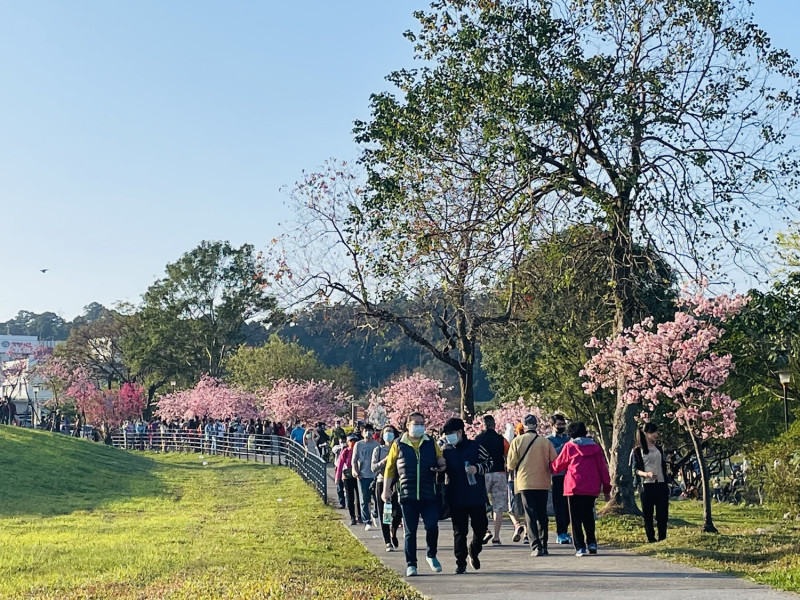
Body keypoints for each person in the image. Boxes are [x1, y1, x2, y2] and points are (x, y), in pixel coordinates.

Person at [382, 412, 446, 577]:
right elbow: (390, 468)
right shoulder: (399, 444)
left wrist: (441, 464)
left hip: (428, 493)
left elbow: (440, 459)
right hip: (407, 494)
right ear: (408, 425)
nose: (419, 426)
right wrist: (386, 489)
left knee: (432, 526)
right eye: (416, 423)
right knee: (410, 532)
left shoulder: (430, 442)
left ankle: (431, 554)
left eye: (422, 423)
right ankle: (411, 564)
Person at [549, 421, 611, 556]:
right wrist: (607, 488)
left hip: (574, 486)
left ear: (571, 433)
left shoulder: (569, 446)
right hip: (591, 486)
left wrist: (549, 464)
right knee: (588, 515)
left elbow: (558, 466)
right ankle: (592, 543)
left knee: (575, 518)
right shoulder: (595, 448)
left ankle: (580, 547)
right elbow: (603, 469)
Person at [441, 417, 492, 574]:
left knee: (481, 527)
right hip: (456, 496)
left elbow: (490, 462)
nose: (448, 436)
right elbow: (438, 465)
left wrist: (477, 468)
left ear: (460, 432)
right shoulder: (445, 450)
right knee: (459, 531)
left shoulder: (476, 446)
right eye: (446, 434)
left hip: (476, 495)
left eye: (450, 433)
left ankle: (474, 550)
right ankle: (460, 562)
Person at [506, 414, 557, 557]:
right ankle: (544, 544)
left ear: (523, 425)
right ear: (536, 425)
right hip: (543, 481)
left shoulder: (517, 442)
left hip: (525, 482)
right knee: (542, 514)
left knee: (530, 514)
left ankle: (535, 546)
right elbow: (554, 460)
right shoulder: (545, 442)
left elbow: (511, 464)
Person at [474, 415, 511, 546]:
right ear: (494, 425)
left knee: (480, 504)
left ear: (483, 425)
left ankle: (485, 530)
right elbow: (508, 455)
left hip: (484, 474)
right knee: (498, 507)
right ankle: (496, 536)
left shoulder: (478, 439)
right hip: (500, 473)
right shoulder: (502, 439)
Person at [631, 422, 670, 542]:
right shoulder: (637, 451)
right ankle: (651, 538)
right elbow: (635, 469)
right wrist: (646, 474)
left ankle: (662, 537)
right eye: (654, 432)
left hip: (661, 484)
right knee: (648, 514)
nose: (656, 434)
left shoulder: (659, 449)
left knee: (662, 513)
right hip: (647, 485)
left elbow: (663, 465)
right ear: (647, 433)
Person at [372, 424, 402, 552]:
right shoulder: (378, 450)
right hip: (382, 481)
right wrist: (387, 460)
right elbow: (373, 468)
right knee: (385, 513)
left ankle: (393, 531)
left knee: (397, 512)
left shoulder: (399, 448)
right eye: (386, 432)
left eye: (390, 432)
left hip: (396, 482)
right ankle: (387, 542)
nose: (388, 434)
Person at [547, 413, 572, 545]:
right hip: (557, 476)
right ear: (552, 426)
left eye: (563, 424)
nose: (562, 427)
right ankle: (560, 532)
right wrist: (565, 447)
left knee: (569, 506)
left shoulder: (569, 438)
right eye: (559, 425)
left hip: (570, 475)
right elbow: (552, 455)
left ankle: (566, 530)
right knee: (559, 506)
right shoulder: (548, 440)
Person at [353, 423, 380, 529]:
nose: (368, 433)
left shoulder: (377, 445)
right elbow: (354, 460)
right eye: (365, 431)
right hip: (363, 475)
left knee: (376, 498)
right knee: (364, 499)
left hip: (375, 476)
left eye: (370, 431)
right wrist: (355, 472)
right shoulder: (358, 445)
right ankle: (367, 521)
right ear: (362, 433)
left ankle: (375, 514)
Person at [335, 433, 360, 525]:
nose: (353, 443)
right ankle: (352, 517)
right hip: (347, 476)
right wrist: (337, 477)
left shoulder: (359, 450)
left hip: (358, 475)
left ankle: (360, 516)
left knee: (359, 497)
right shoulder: (345, 451)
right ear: (348, 442)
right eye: (351, 441)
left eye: (354, 441)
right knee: (350, 497)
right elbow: (340, 464)